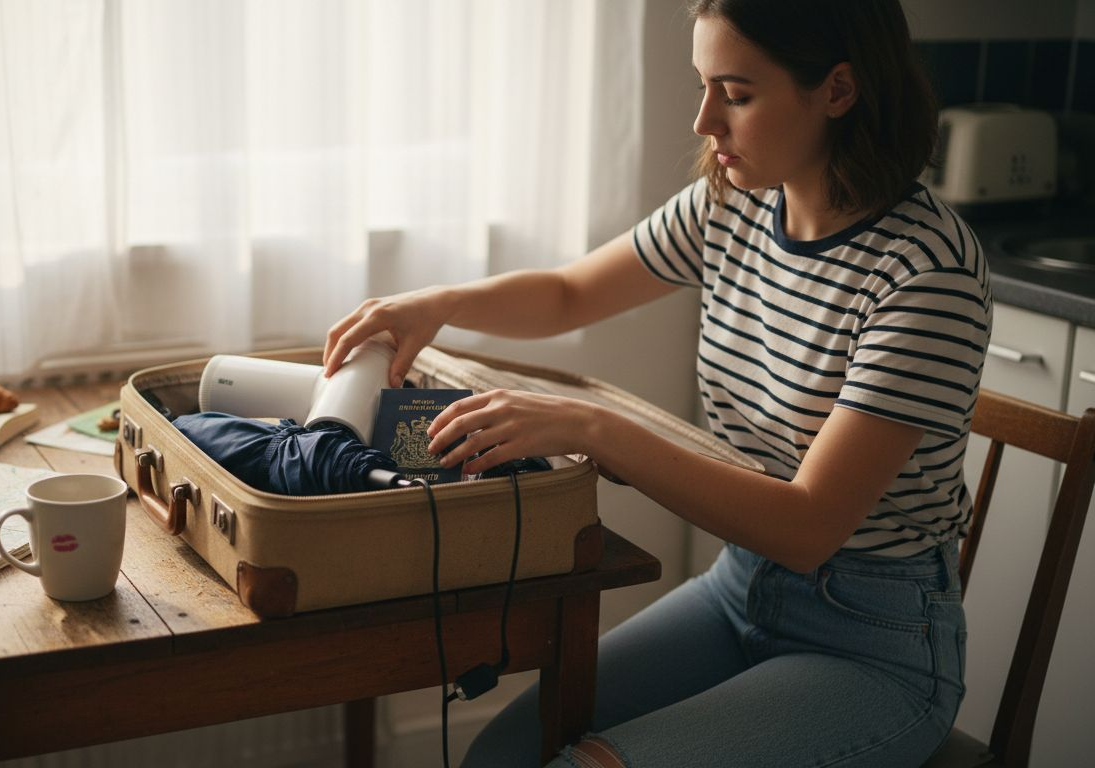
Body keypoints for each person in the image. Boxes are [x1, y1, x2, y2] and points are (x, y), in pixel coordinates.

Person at [323, 0, 990, 765]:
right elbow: (573, 292)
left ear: (838, 90)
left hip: (873, 644)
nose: (706, 121)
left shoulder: (926, 273)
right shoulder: (735, 205)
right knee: (503, 752)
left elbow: (808, 529)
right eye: (703, 85)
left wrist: (591, 427)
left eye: (736, 94)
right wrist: (437, 304)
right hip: (739, 585)